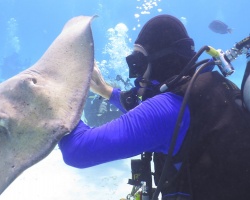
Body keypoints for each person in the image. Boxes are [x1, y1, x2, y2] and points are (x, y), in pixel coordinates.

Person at [58, 14, 250, 200]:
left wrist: (58, 98)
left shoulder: (168, 109)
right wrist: (106, 91)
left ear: (162, 61)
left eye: (138, 63)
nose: (135, 74)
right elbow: (150, 114)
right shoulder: (212, 86)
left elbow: (77, 150)